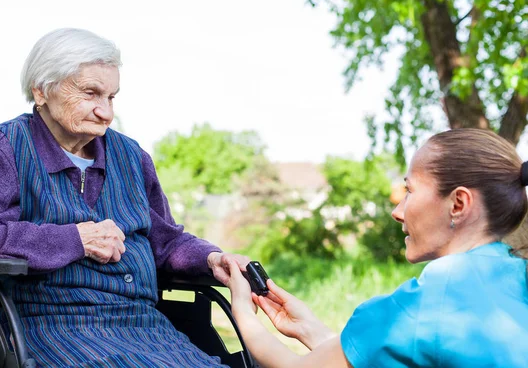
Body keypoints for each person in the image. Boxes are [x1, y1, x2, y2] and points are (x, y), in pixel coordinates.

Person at [0, 28, 250, 367]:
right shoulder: (9, 149)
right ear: (42, 90)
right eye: (90, 94)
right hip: (52, 326)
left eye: (111, 98)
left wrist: (211, 258)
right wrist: (74, 239)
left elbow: (166, 242)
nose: (106, 113)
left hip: (146, 327)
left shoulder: (132, 157)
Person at [226, 128, 528, 367]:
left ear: (458, 204)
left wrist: (242, 310)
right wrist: (310, 329)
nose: (397, 211)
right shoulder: (515, 277)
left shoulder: (426, 302)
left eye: (409, 190)